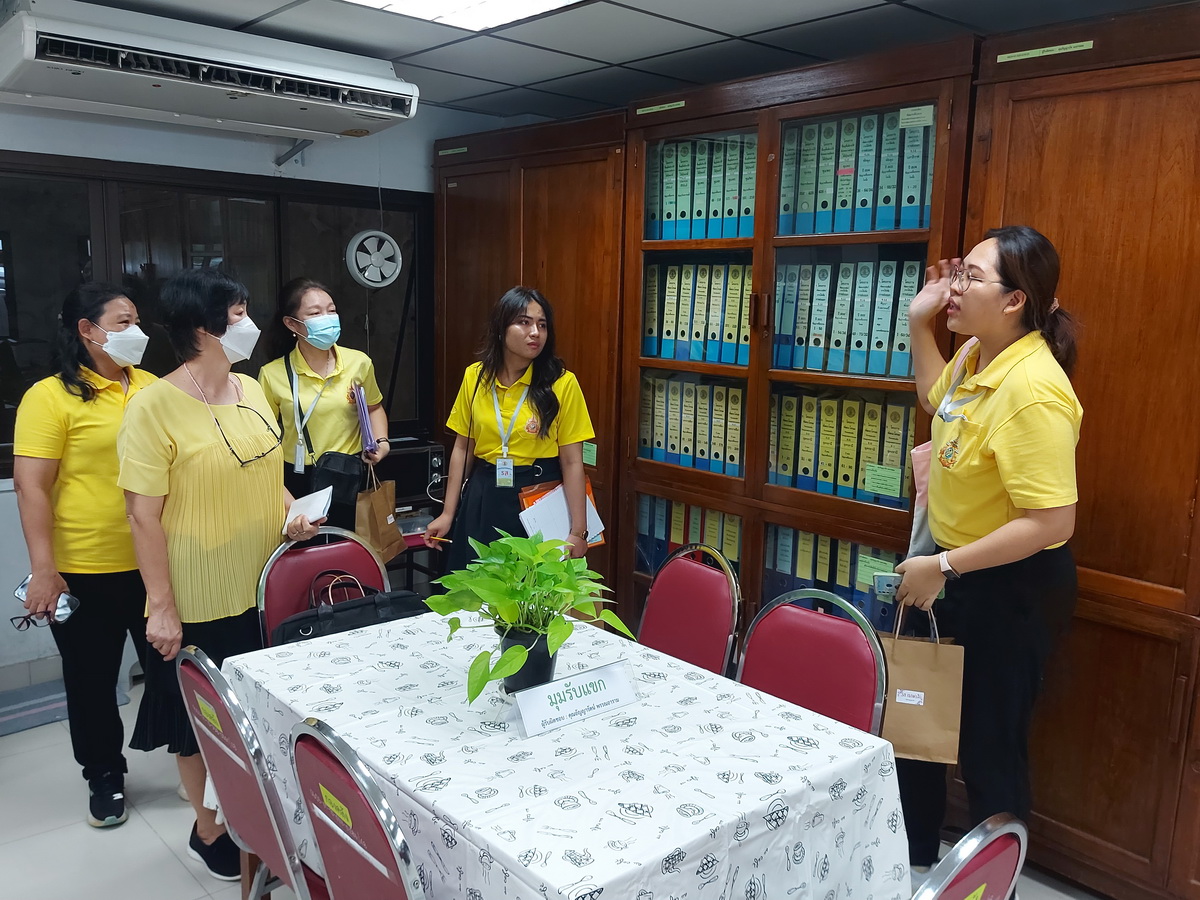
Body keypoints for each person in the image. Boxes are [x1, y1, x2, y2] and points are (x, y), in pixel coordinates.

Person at [117, 268, 323, 881]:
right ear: (204, 329)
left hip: (264, 585)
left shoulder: (251, 389)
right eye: (238, 314)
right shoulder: (152, 407)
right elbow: (142, 515)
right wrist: (161, 605)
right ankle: (207, 829)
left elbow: (266, 473)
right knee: (199, 720)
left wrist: (292, 512)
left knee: (255, 713)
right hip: (197, 592)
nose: (249, 324)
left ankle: (254, 817)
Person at [895, 225, 1082, 874]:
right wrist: (919, 325)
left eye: (971, 276)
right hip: (948, 570)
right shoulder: (978, 354)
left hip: (1008, 587)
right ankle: (913, 868)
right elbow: (936, 399)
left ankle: (991, 884)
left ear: (1014, 301)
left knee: (989, 750)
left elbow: (1051, 520)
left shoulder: (1033, 389)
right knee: (917, 725)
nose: (954, 285)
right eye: (958, 272)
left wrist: (944, 566)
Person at [13, 283, 155, 828]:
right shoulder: (49, 396)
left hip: (155, 560)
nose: (135, 332)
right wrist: (44, 570)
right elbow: (31, 486)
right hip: (83, 567)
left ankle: (191, 760)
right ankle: (104, 774)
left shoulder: (152, 387)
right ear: (86, 330)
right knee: (92, 680)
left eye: (136, 320)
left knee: (173, 669)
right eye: (123, 322)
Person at [425, 286, 594, 569]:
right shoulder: (475, 377)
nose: (535, 333)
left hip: (537, 494)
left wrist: (579, 531)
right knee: (477, 583)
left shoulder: (562, 383)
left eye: (542, 325)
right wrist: (447, 513)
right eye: (524, 322)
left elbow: (572, 461)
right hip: (485, 493)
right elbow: (463, 449)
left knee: (533, 586)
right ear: (501, 329)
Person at [258, 277, 390, 529]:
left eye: (331, 310)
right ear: (291, 323)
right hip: (297, 476)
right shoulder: (272, 374)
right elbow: (263, 436)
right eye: (315, 313)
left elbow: (374, 407)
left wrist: (382, 443)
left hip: (350, 472)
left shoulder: (358, 362)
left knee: (350, 546)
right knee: (305, 545)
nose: (327, 318)